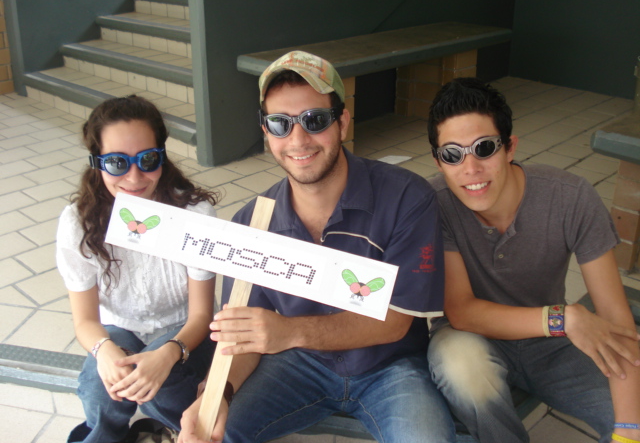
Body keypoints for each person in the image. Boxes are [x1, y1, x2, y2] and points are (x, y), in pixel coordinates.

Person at [178, 51, 455, 443]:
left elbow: (395, 321)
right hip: (299, 365)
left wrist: (288, 331)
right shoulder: (252, 222)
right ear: (265, 131)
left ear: (342, 121)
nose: (298, 139)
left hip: (391, 365)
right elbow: (244, 338)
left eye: (315, 120)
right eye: (280, 123)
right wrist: (217, 396)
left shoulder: (407, 197)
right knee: (214, 432)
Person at [425, 77, 640, 443]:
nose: (470, 168)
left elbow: (617, 322)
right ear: (438, 161)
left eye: (484, 148)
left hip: (553, 344)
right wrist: (564, 318)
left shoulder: (571, 198)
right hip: (472, 337)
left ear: (510, 147)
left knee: (631, 412)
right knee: (459, 365)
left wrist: (629, 431)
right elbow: (462, 312)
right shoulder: (435, 204)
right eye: (452, 154)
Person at [56, 96, 219, 443]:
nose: (133, 176)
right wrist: (104, 351)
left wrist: (168, 353)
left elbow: (201, 315)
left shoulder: (195, 215)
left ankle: (178, 426)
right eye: (116, 162)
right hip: (120, 327)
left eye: (147, 159)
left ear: (162, 155)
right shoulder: (77, 223)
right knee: (100, 387)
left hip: (184, 328)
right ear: (96, 162)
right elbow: (85, 321)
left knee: (164, 387)